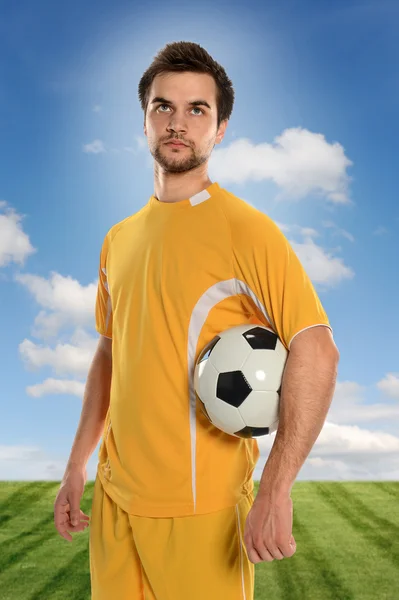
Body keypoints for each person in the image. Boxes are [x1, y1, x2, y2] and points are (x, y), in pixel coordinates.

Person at [54, 41, 336, 599]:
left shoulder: (244, 230)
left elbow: (316, 348)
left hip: (198, 511)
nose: (177, 123)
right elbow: (112, 353)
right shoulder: (118, 239)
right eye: (164, 107)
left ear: (220, 128)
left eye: (197, 109)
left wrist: (276, 489)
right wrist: (75, 467)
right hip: (115, 504)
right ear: (144, 121)